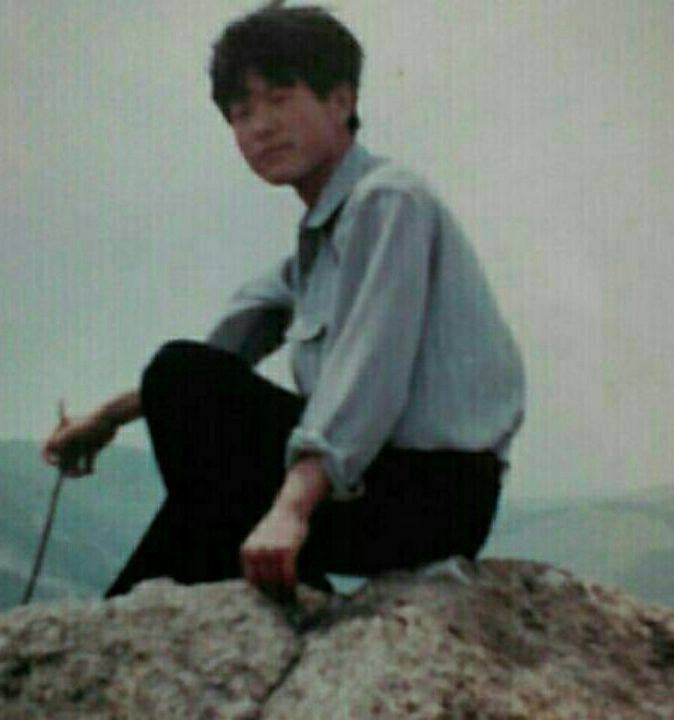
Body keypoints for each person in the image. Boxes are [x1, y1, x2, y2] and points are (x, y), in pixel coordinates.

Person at [42, 4, 525, 598]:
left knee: (184, 390)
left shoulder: (388, 201)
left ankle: (177, 599)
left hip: (429, 497)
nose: (260, 127)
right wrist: (107, 419)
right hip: (381, 487)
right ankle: (161, 601)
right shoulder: (320, 243)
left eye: (279, 98)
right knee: (188, 411)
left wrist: (290, 510)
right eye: (241, 113)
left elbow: (368, 375)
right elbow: (224, 352)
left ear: (341, 101)